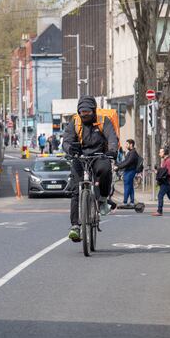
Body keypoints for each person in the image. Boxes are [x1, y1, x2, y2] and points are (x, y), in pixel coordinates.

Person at [63, 95, 119, 242]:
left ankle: (102, 198)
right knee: (75, 190)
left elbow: (112, 137)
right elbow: (66, 140)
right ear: (78, 111)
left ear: (93, 110)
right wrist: (70, 149)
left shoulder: (102, 121)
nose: (85, 114)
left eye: (87, 111)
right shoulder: (74, 122)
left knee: (105, 169)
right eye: (82, 112)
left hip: (99, 155)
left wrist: (112, 150)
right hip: (79, 157)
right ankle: (75, 226)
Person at [115, 139, 139, 206]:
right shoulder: (130, 152)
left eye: (127, 144)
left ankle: (125, 202)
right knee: (130, 187)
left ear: (131, 145)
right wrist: (117, 165)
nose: (125, 146)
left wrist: (118, 167)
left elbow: (127, 163)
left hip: (130, 171)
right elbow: (124, 161)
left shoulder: (133, 153)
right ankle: (132, 202)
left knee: (127, 187)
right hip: (128, 171)